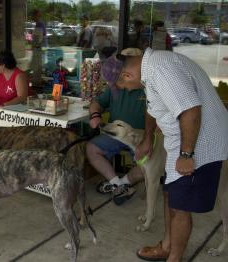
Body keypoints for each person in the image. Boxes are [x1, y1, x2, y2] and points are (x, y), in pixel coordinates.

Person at [100, 48, 228, 262]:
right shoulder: (150, 71)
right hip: (180, 142)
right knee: (170, 195)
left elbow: (191, 110)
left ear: (127, 75)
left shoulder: (161, 69)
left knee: (180, 206)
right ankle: (167, 246)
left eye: (121, 86)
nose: (123, 89)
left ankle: (173, 258)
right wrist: (148, 137)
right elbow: (153, 107)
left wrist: (187, 154)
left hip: (201, 144)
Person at [87, 48, 146, 206]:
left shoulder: (149, 89)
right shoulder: (115, 87)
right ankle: (117, 185)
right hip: (116, 134)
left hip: (140, 137)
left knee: (149, 163)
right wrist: (95, 115)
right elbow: (96, 103)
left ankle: (121, 184)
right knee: (92, 149)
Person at [29, 9, 47, 86]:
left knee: (37, 69)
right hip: (39, 49)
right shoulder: (39, 24)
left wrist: (32, 43)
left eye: (33, 15)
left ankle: (37, 84)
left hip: (38, 50)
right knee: (37, 68)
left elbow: (38, 39)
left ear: (36, 15)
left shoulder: (39, 24)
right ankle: (37, 82)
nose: (32, 17)